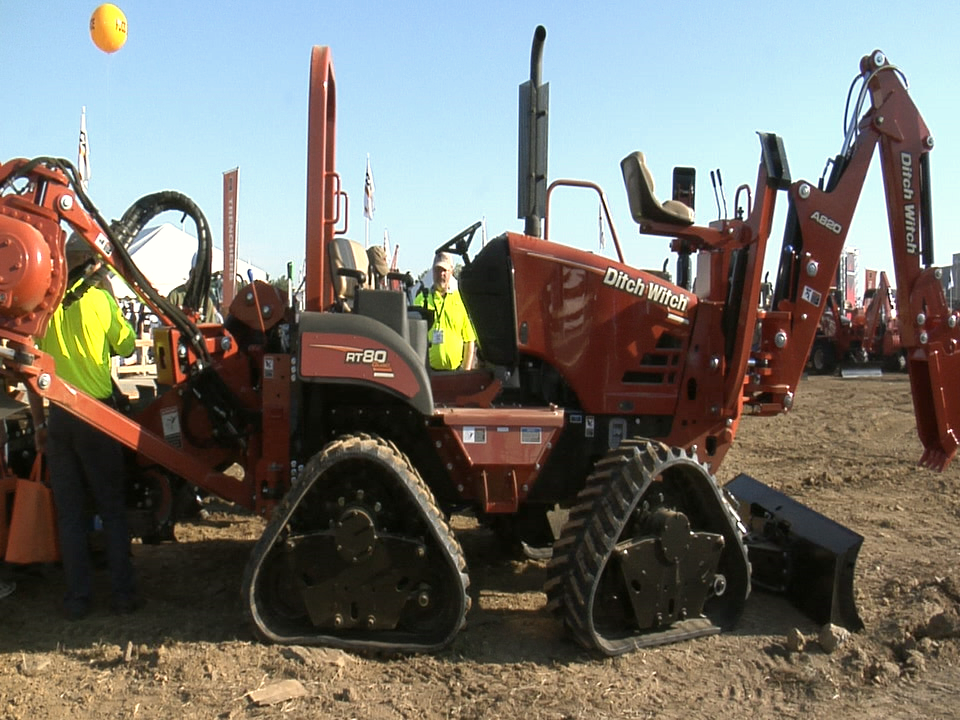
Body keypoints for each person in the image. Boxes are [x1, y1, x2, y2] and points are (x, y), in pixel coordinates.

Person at [29, 237, 139, 620]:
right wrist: (108, 298)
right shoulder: (100, 301)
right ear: (93, 265)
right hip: (96, 417)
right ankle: (123, 595)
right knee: (111, 508)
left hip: (59, 417)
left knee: (70, 515)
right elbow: (125, 347)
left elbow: (34, 366)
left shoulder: (47, 308)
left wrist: (39, 422)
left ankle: (77, 598)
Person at [414, 252, 477, 371]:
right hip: (429, 373)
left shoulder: (460, 300)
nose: (441, 274)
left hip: (456, 374)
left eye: (444, 270)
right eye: (437, 270)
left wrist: (465, 371)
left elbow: (469, 340)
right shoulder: (422, 299)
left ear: (451, 272)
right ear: (432, 272)